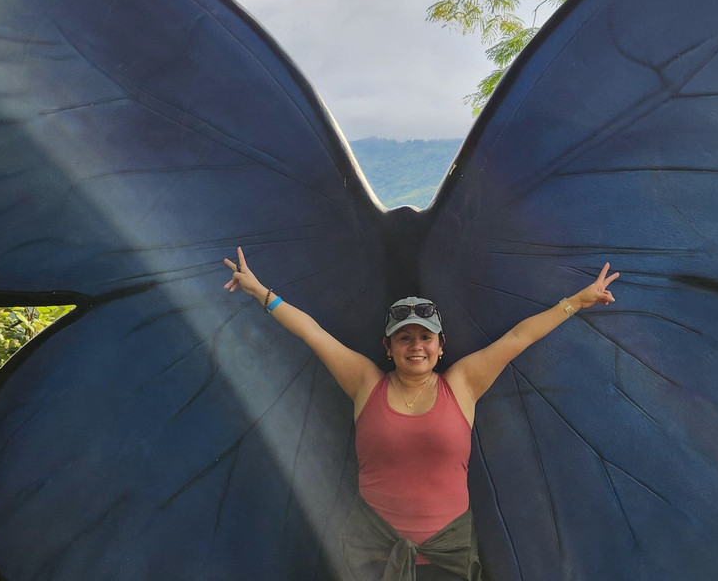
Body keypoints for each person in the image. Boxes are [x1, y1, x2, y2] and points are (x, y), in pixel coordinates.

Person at [224, 246, 619, 581]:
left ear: (440, 345)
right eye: (405, 337)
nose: (416, 346)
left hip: (449, 559)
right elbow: (312, 333)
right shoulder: (365, 382)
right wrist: (260, 292)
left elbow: (519, 337)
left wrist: (577, 302)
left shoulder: (462, 383)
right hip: (371, 556)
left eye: (425, 337)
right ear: (389, 347)